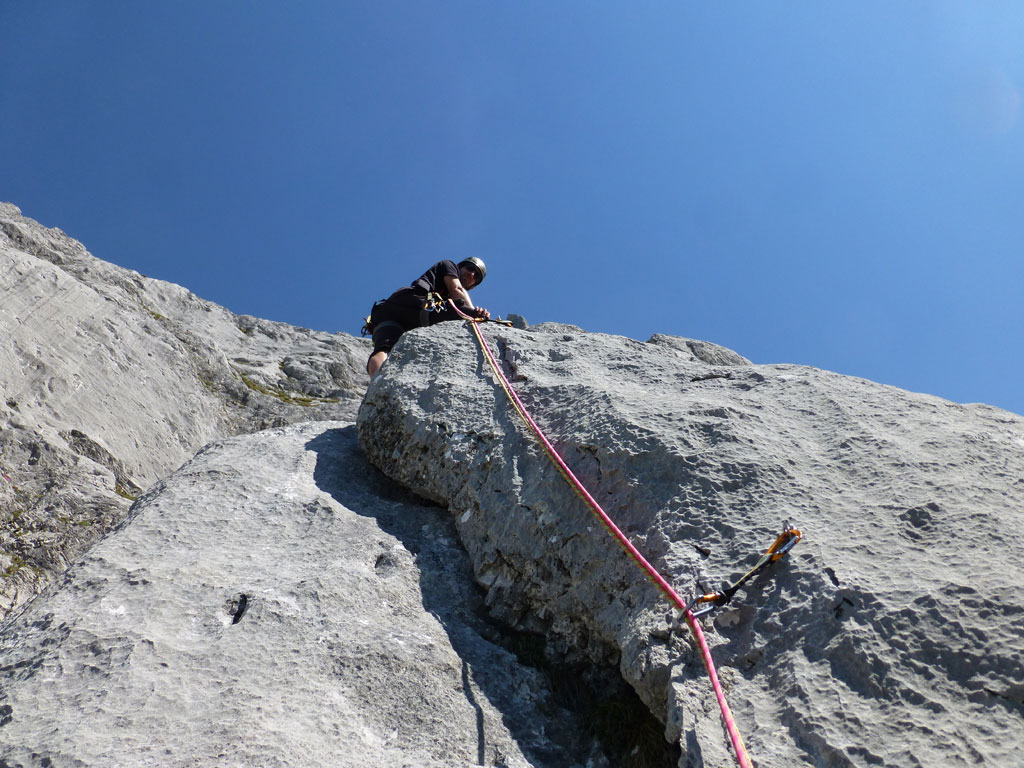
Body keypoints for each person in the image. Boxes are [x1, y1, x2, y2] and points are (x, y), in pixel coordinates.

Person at [365, 257, 490, 376]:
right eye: (470, 268)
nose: (471, 274)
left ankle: (377, 382)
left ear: (473, 286)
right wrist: (476, 314)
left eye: (476, 276)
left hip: (388, 314)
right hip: (415, 302)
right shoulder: (448, 265)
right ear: (459, 266)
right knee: (462, 310)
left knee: (384, 349)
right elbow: (457, 289)